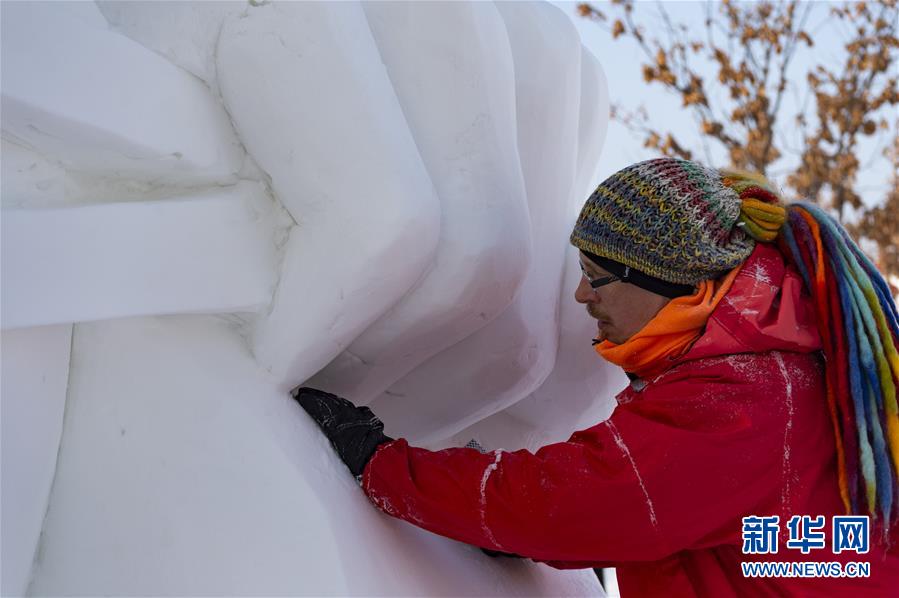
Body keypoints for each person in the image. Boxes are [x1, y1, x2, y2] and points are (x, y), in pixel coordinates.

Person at [294, 158, 899, 596]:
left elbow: (586, 500)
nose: (582, 294)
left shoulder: (745, 393)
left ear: (665, 279)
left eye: (598, 275)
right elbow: (773, 543)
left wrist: (381, 463)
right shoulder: (768, 355)